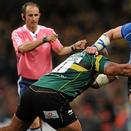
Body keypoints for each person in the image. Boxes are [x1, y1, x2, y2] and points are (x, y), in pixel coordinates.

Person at [0, 48, 131, 131]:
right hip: (51, 96)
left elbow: (94, 83)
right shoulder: (96, 58)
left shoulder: (77, 58)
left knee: (14, 129)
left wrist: (112, 77)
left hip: (33, 90)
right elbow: (119, 69)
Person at [11, 2, 86, 131]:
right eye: (30, 15)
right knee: (34, 122)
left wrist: (74, 47)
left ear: (39, 15)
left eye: (36, 15)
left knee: (52, 120)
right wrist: (44, 40)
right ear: (23, 17)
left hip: (47, 83)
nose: (33, 18)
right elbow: (22, 48)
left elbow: (61, 50)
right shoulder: (17, 33)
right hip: (27, 83)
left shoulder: (48, 31)